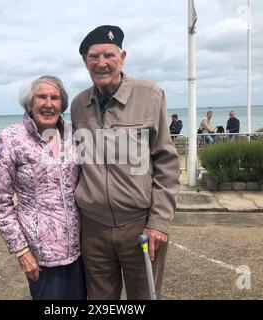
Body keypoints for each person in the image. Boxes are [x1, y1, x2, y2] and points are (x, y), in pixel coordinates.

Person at [71, 25, 180, 300]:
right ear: (85, 62)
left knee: (143, 297)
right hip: (93, 227)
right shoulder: (78, 104)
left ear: (123, 57)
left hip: (139, 224)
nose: (101, 63)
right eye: (93, 56)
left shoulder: (150, 95)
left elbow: (167, 163)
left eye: (109, 55)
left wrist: (158, 222)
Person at [0, 75, 86, 300]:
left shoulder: (74, 134)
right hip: (40, 255)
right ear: (30, 103)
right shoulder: (10, 139)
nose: (49, 103)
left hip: (81, 250)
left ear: (62, 104)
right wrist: (21, 250)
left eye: (55, 98)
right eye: (42, 97)